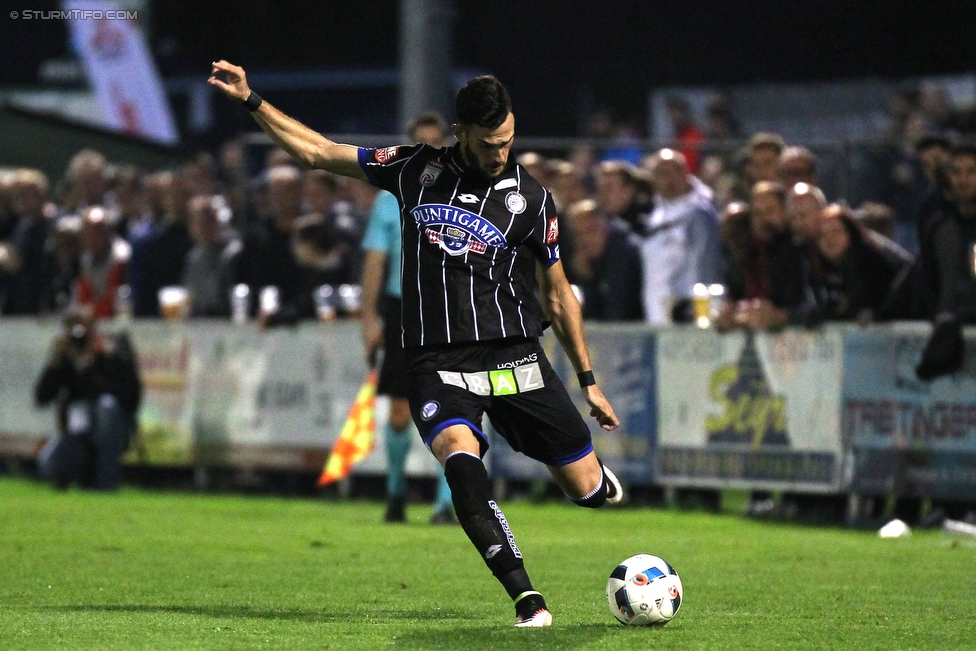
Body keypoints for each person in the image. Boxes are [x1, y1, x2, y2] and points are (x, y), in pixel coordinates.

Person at [210, 60, 622, 628]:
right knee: (459, 457)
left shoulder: (533, 200)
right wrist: (252, 100)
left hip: (514, 355)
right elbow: (318, 152)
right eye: (487, 144)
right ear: (459, 133)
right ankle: (528, 599)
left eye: (506, 141)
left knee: (585, 490)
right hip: (437, 359)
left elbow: (558, 296)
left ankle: (596, 485)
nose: (500, 153)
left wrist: (589, 382)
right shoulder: (414, 170)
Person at [359, 114, 458, 525]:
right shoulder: (389, 198)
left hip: (451, 308)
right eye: (421, 145)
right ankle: (396, 493)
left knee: (457, 404)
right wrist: (368, 316)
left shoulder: (459, 194)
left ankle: (446, 503)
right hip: (403, 311)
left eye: (435, 144)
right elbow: (375, 261)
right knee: (400, 410)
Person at [35, 308, 142, 490]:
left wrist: (103, 361)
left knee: (105, 407)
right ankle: (76, 475)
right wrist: (55, 363)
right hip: (76, 434)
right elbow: (42, 397)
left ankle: (105, 481)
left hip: (110, 429)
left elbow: (130, 394)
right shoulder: (66, 355)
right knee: (49, 465)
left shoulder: (111, 350)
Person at [639, 148, 722, 324]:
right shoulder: (656, 215)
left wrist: (693, 311)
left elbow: (707, 266)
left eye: (674, 171)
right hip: (657, 316)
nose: (668, 178)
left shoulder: (700, 213)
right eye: (661, 173)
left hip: (688, 316)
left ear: (686, 172)